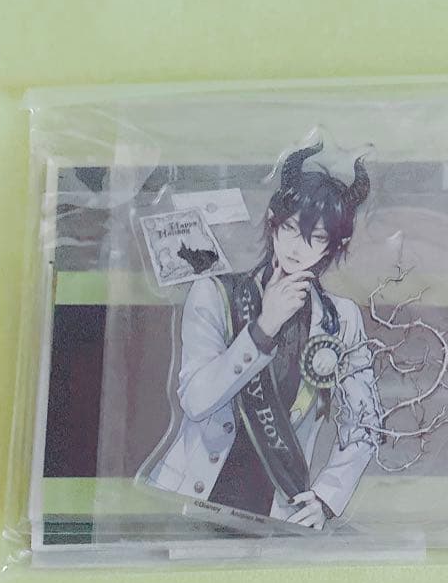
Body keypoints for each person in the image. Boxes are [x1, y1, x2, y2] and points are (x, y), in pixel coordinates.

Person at [138, 138, 381, 530]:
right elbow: (196, 400)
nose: (298, 247)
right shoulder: (215, 293)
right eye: (291, 229)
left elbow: (365, 422)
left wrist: (327, 498)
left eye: (317, 237)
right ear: (273, 223)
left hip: (277, 511)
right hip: (187, 498)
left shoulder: (342, 318)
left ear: (334, 246)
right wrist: (263, 328)